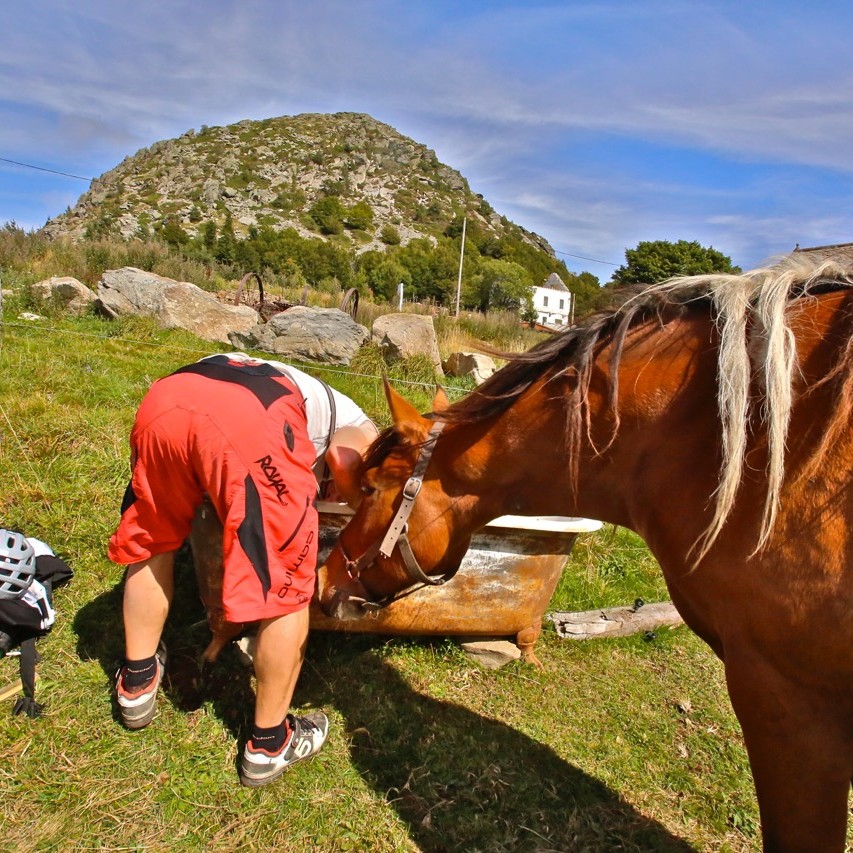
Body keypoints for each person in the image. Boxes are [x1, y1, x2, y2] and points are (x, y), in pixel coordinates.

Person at [107, 353, 376, 787]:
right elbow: (347, 459)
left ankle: (136, 684)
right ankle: (270, 744)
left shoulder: (311, 393)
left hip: (169, 396)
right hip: (254, 420)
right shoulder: (360, 427)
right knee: (287, 588)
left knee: (153, 543)